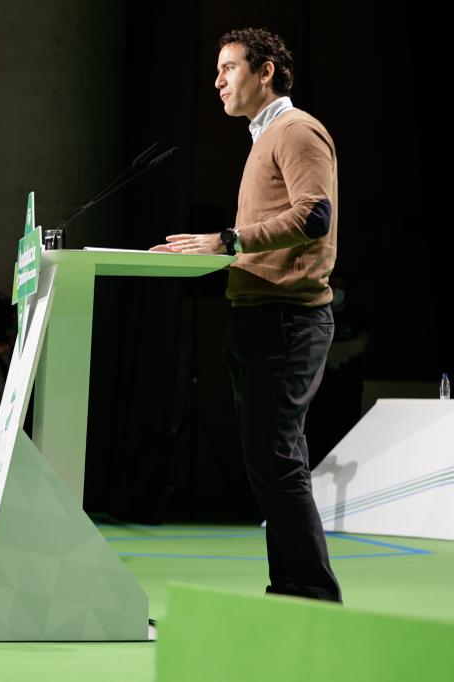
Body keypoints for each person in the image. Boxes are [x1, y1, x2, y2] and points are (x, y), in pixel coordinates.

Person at [150, 28, 341, 602]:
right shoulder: (263, 139)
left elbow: (315, 217)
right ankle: (290, 590)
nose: (218, 82)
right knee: (270, 464)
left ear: (266, 73)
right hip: (259, 318)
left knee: (275, 462)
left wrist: (228, 240)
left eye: (228, 68)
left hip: (289, 320)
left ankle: (311, 594)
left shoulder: (296, 130)